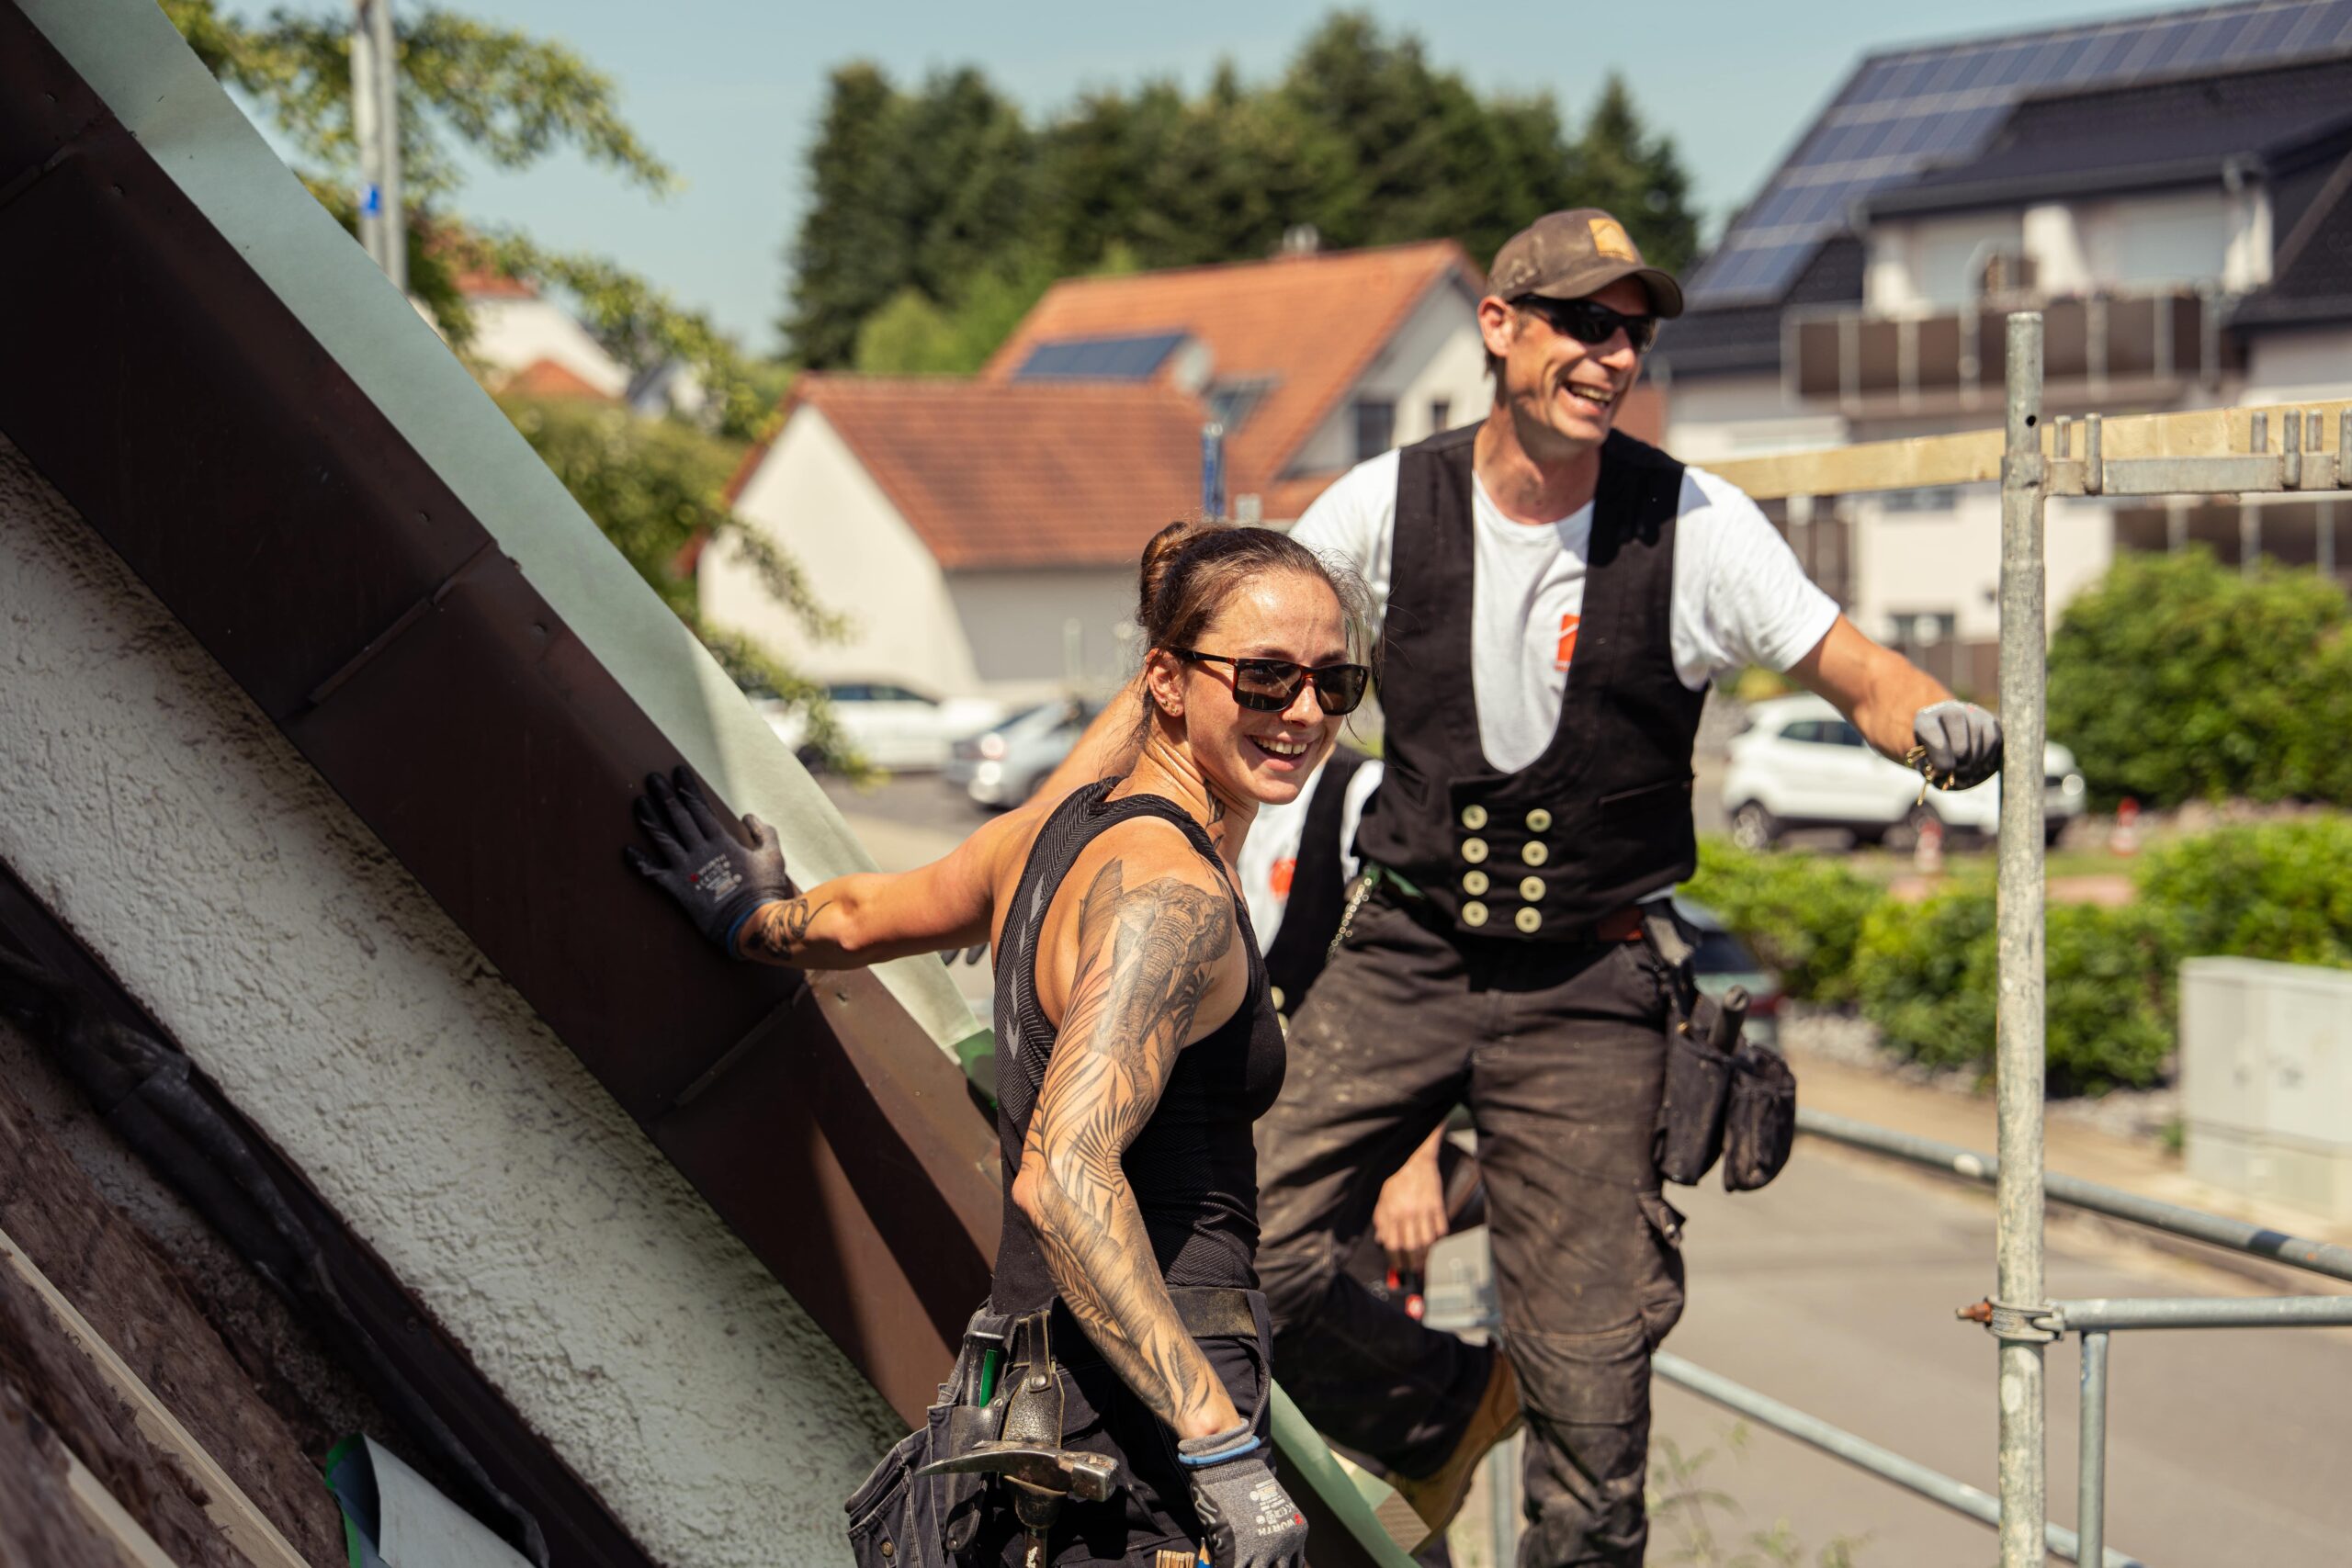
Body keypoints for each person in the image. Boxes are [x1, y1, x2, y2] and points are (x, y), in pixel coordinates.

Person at [1042, 209, 2003, 1566]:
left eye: (1632, 330)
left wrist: (1934, 723)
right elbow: (1208, 654)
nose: (1611, 354)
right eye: (1581, 323)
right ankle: (1439, 1404)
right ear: (1500, 326)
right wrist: (1052, 834)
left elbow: (1855, 667)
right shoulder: (1383, 506)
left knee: (1592, 1381)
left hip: (1592, 979)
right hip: (1408, 949)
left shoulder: (1694, 521)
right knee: (1238, 1245)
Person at [625, 522, 1377, 1568]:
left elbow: (860, 917)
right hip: (1142, 1441)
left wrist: (747, 920)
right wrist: (1221, 1451)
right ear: (1165, 680)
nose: (1302, 713)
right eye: (1262, 679)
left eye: (1333, 682)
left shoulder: (1048, 834)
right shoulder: (1170, 900)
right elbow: (1065, 1179)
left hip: (1041, 1393)